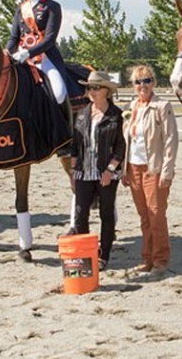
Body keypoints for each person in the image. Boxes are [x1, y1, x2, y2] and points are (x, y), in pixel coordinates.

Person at [122, 65, 179, 275]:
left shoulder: (162, 106)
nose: (142, 85)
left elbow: (171, 140)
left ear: (153, 83)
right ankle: (146, 257)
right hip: (133, 167)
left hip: (153, 168)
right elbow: (126, 141)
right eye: (138, 82)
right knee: (144, 216)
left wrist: (167, 170)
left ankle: (161, 259)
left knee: (156, 215)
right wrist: (123, 169)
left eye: (146, 81)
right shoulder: (132, 106)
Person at [70, 71, 126, 271]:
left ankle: (105, 255)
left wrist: (110, 170)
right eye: (89, 88)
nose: (91, 91)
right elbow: (75, 144)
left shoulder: (116, 115)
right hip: (84, 171)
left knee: (106, 213)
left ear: (106, 91)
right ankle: (86, 254)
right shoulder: (83, 113)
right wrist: (72, 171)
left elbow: (121, 146)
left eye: (96, 88)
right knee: (80, 213)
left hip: (106, 172)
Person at [6, 0, 69, 105]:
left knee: (59, 93)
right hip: (20, 57)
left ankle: (64, 125)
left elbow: (49, 40)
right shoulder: (21, 7)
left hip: (45, 58)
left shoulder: (52, 7)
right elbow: (14, 37)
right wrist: (6, 52)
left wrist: (28, 53)